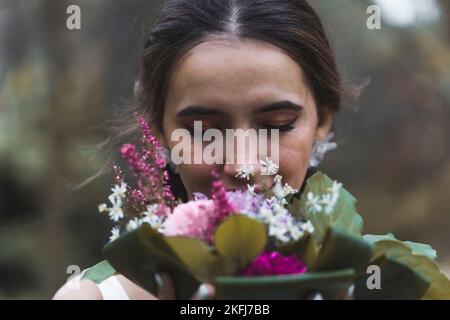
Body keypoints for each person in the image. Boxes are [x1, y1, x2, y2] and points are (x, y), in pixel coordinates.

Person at [53, 0, 348, 300]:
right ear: (159, 130)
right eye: (203, 131)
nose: (241, 164)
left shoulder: (373, 284)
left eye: (277, 124)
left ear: (322, 119)